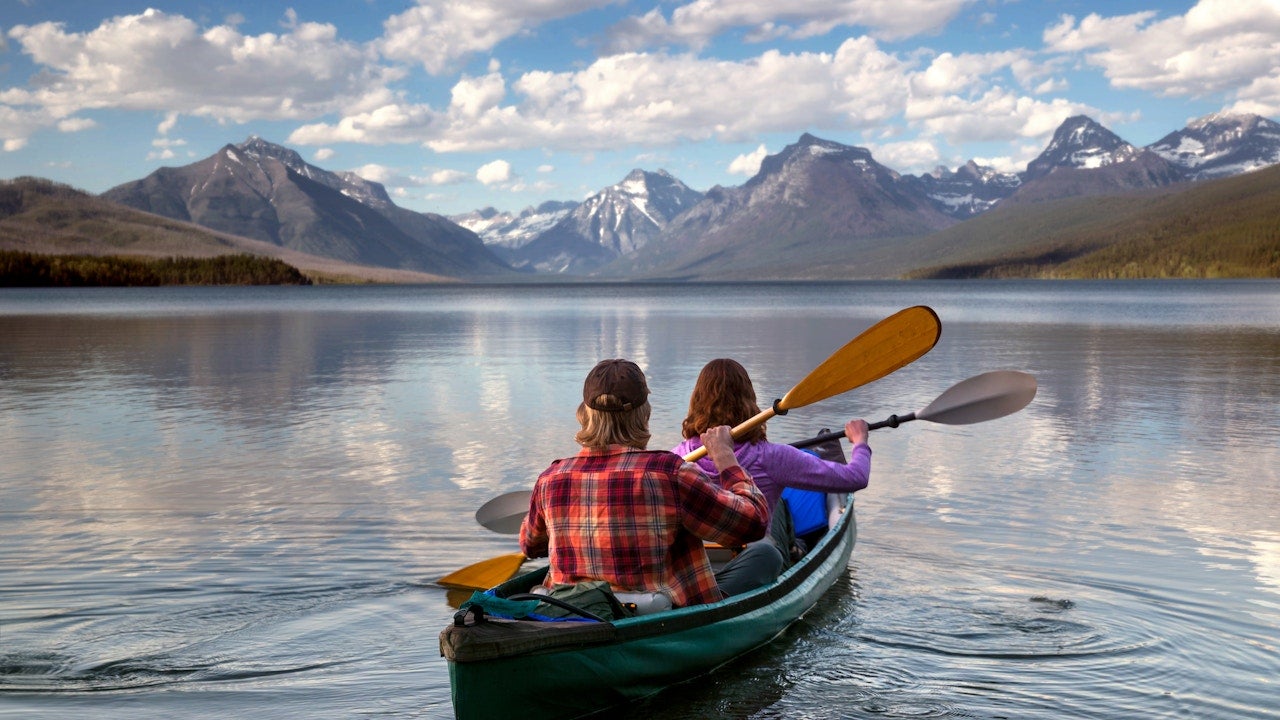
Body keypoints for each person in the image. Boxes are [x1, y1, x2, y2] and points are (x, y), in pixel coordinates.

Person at [519, 358, 773, 610]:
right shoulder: (670, 473)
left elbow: (531, 545)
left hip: (573, 611)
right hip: (664, 614)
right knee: (765, 555)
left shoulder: (550, 478)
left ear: (584, 414)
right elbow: (753, 524)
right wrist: (725, 458)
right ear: (644, 413)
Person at [672, 358, 872, 573]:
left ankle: (795, 546)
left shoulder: (677, 457)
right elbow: (856, 477)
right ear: (749, 399)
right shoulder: (771, 458)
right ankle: (796, 548)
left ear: (696, 401)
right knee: (780, 504)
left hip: (695, 569)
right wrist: (860, 442)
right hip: (756, 564)